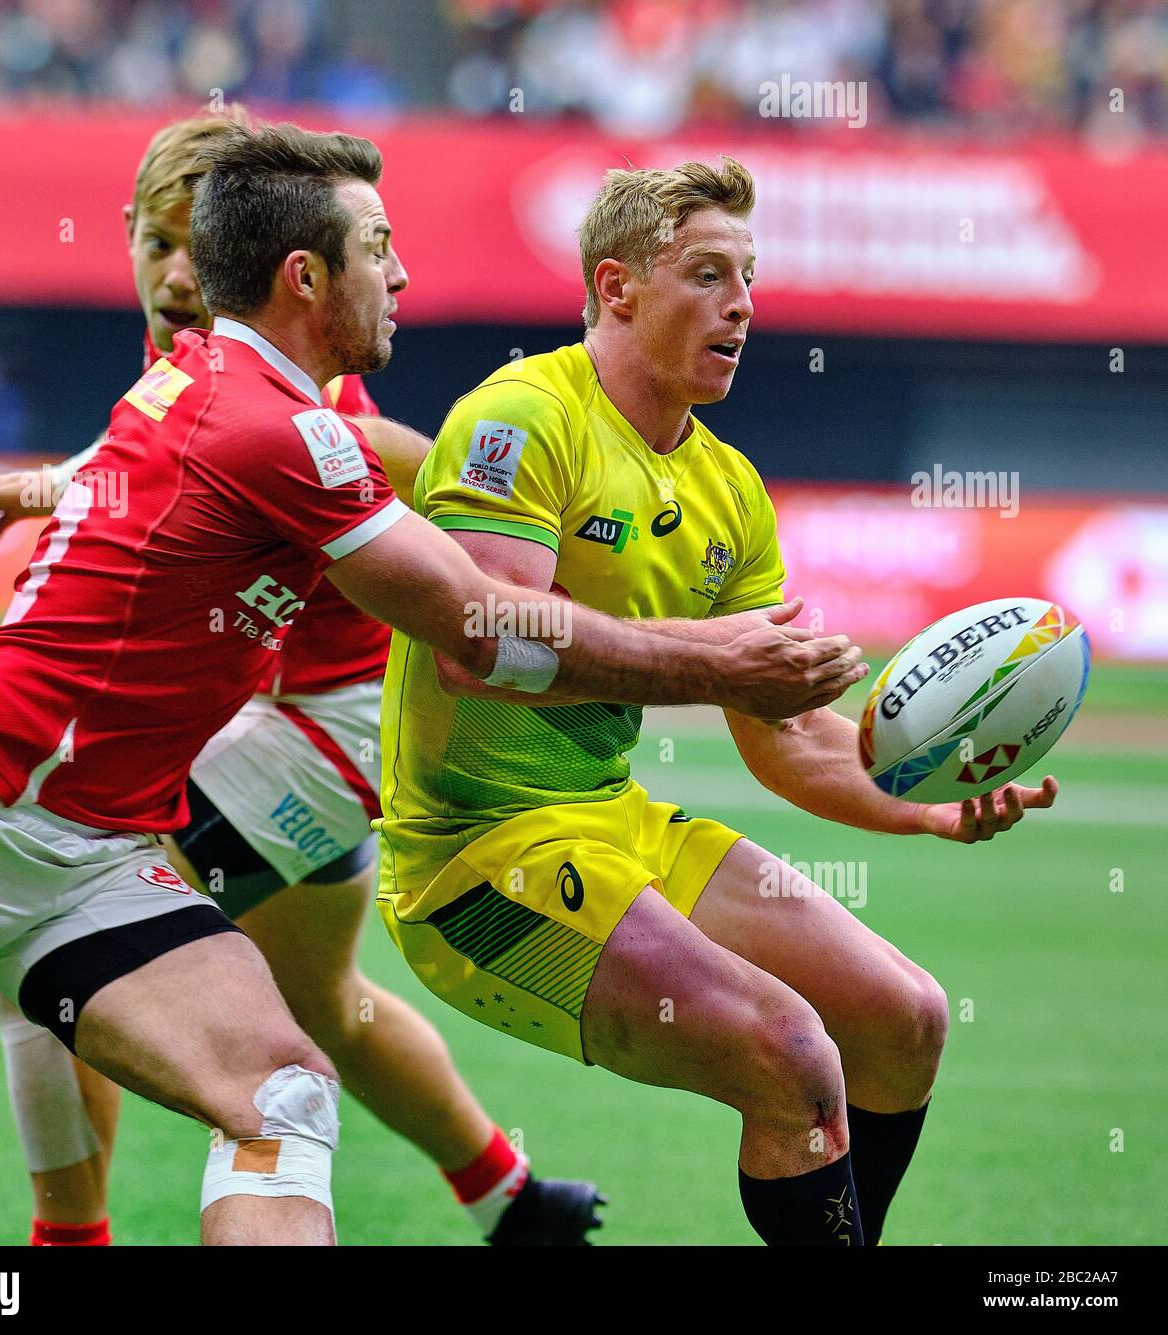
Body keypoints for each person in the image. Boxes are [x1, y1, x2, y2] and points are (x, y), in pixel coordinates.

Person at [0, 125, 860, 1246]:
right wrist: (721, 657)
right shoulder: (266, 420)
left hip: (98, 855)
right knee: (323, 1014)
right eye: (379, 248)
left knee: (284, 1093)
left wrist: (55, 482)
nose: (401, 277)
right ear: (305, 276)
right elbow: (481, 628)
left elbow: (427, 551)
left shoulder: (229, 389)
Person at [0, 108, 603, 1247]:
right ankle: (511, 1196)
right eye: (157, 243)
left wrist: (542, 550)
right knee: (324, 1007)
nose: (180, 272)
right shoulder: (194, 371)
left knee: (43, 916)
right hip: (282, 731)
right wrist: (56, 481)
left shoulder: (296, 388)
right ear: (128, 239)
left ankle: (69, 1240)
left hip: (318, 736)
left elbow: (404, 460)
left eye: (201, 245)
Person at [374, 158, 1061, 1246]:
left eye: (749, 275)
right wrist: (710, 661)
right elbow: (485, 644)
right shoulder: (521, 418)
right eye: (707, 272)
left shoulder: (728, 490)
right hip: (473, 863)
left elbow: (786, 735)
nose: (742, 303)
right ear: (616, 289)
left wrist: (921, 802)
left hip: (612, 823)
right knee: (788, 1053)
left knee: (903, 1018)